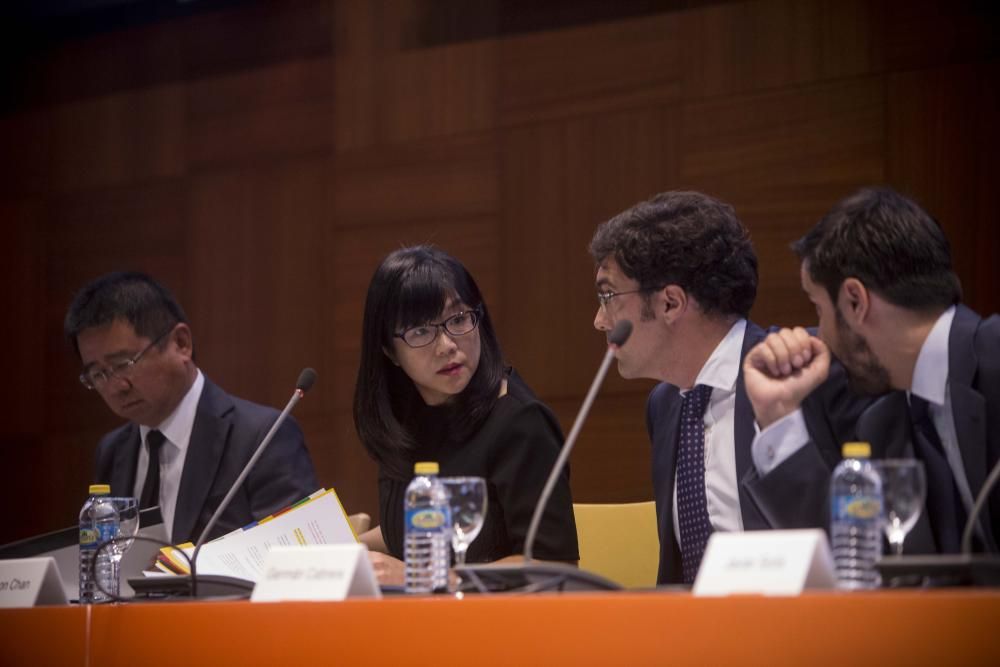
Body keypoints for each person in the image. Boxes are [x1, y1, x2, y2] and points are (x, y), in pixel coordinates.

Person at [589, 191, 866, 585]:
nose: (600, 320)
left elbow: (853, 546)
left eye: (608, 295)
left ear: (670, 303)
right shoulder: (664, 404)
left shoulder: (807, 370)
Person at [743, 187, 999, 554]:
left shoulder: (995, 358)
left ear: (854, 301)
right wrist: (777, 414)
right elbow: (856, 563)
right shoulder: (884, 422)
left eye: (817, 308)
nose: (820, 334)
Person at [353, 245, 579, 584]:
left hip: (502, 626)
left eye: (458, 319)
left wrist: (422, 576)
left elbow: (553, 565)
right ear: (390, 352)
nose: (446, 344)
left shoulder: (521, 423)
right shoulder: (406, 420)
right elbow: (416, 525)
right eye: (421, 331)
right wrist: (343, 551)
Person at [65, 271, 319, 543]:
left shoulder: (261, 437)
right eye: (99, 374)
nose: (116, 387)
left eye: (124, 364)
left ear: (181, 343)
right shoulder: (113, 451)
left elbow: (296, 557)